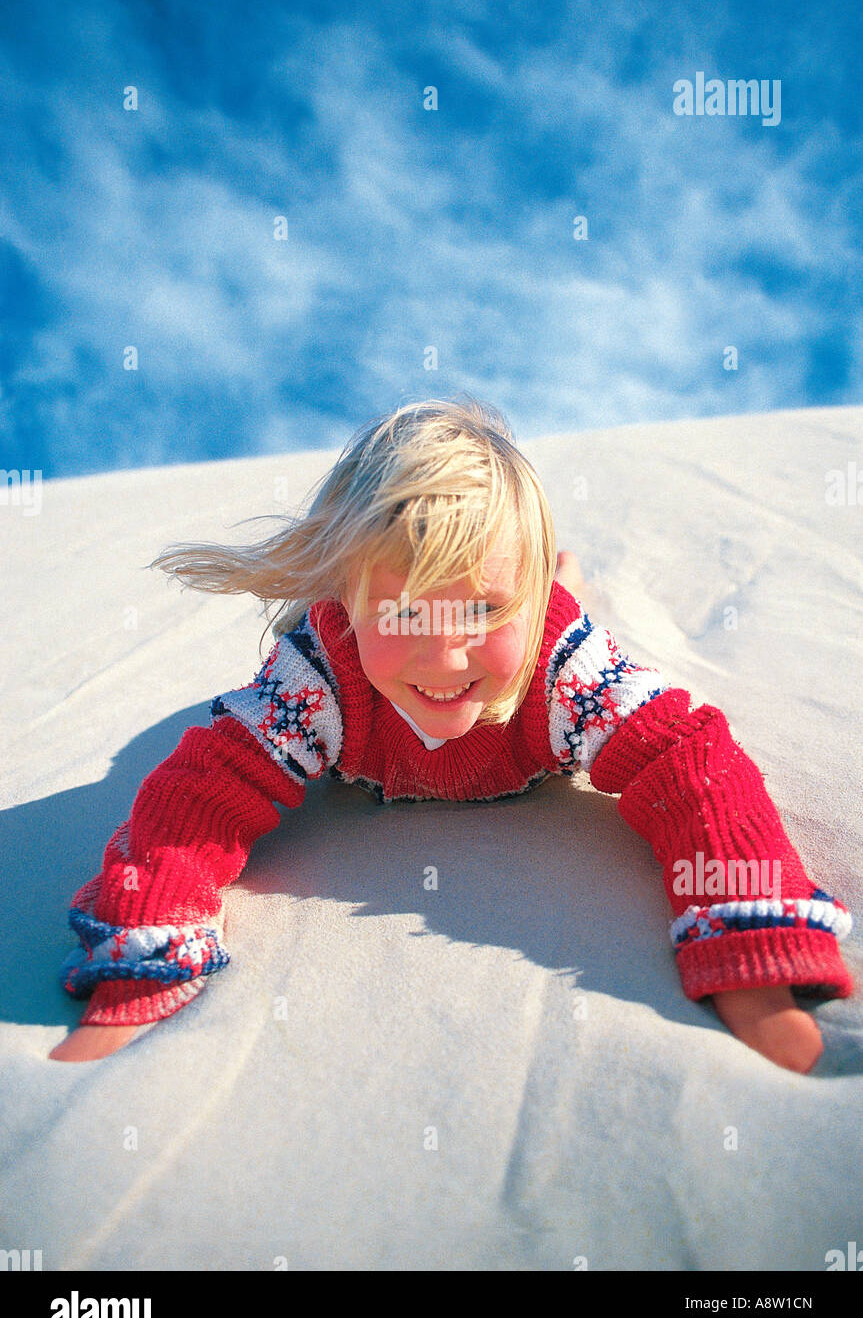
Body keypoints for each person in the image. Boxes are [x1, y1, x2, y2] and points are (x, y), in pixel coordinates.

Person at [49, 396, 854, 1070]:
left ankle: (561, 576)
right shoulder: (320, 678)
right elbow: (199, 797)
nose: (446, 655)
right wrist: (141, 962)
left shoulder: (563, 669)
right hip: (353, 692)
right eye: (402, 611)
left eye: (481, 607)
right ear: (349, 605)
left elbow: (692, 761)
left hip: (536, 652)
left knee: (559, 622)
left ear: (528, 601)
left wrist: (746, 944)